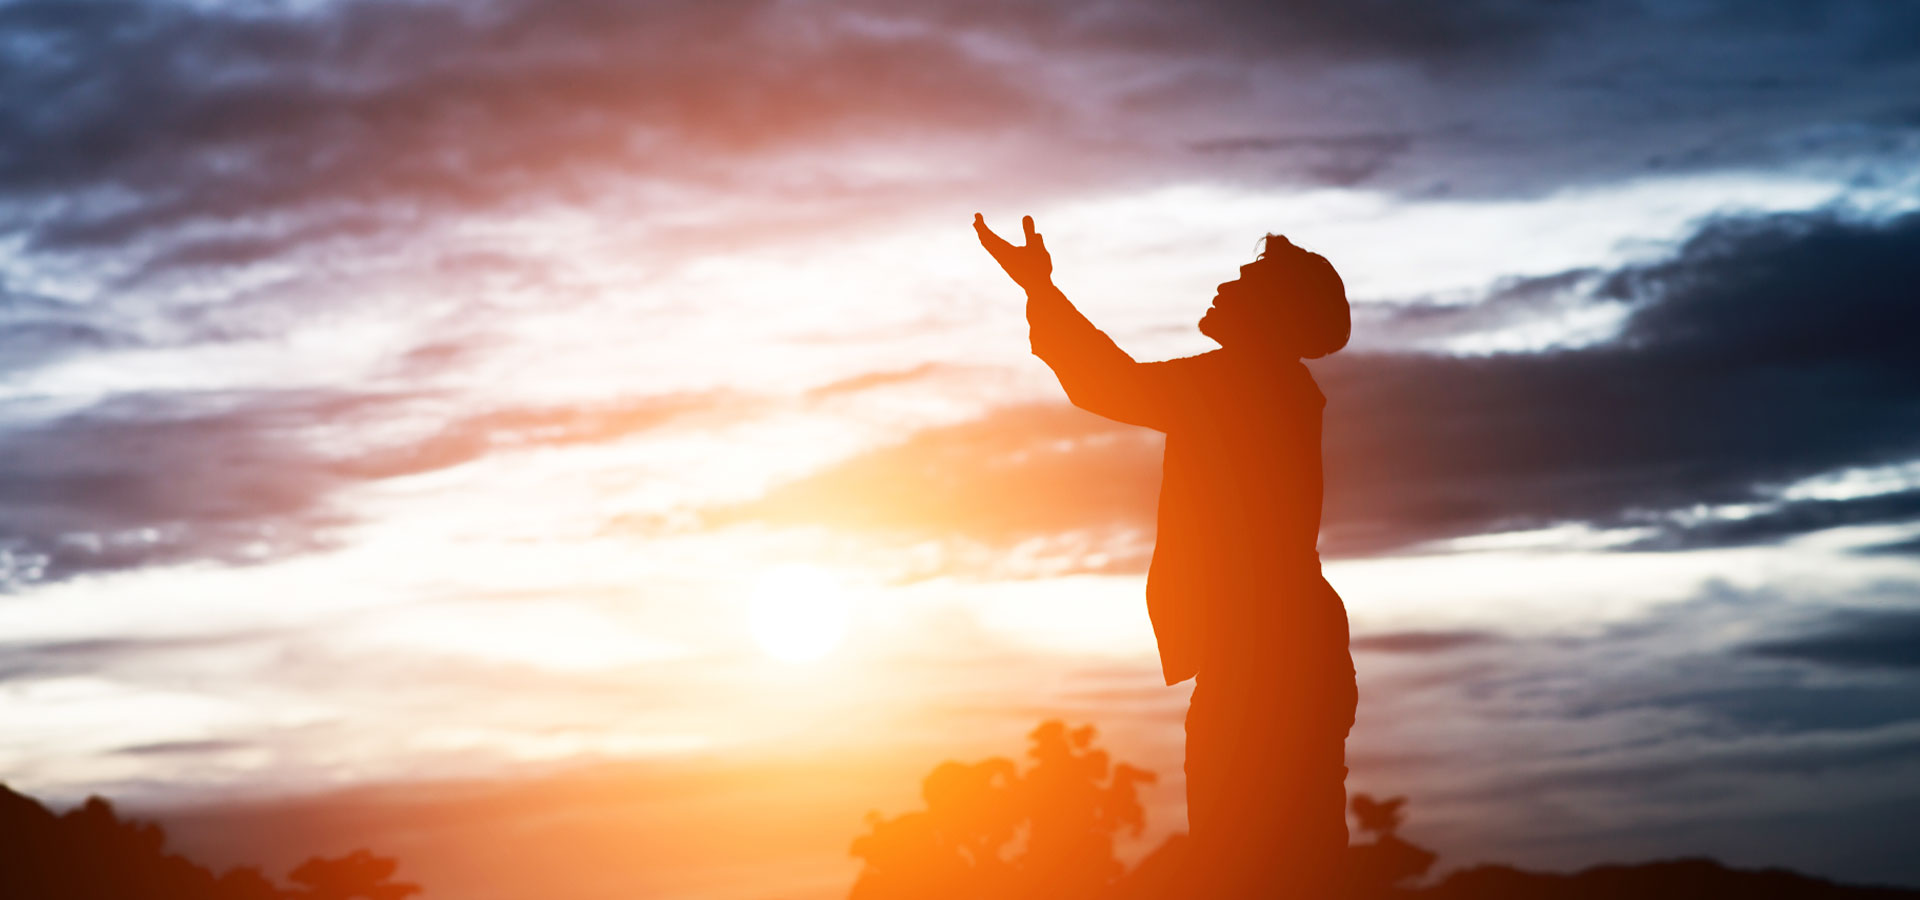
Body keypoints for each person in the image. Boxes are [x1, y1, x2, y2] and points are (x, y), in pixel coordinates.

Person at [975, 214, 1357, 897]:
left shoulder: (1244, 386)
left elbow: (1105, 382)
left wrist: (1040, 288)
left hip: (1267, 663)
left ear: (1272, 315)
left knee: (1256, 864)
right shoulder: (1264, 386)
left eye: (1242, 283)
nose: (1221, 286)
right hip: (1277, 654)